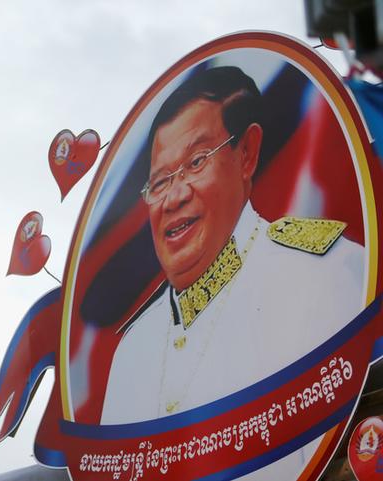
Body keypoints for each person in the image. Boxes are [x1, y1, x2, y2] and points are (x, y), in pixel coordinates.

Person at [100, 67, 364, 477]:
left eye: (196, 161)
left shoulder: (324, 271)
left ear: (246, 154)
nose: (174, 197)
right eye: (159, 182)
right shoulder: (132, 350)